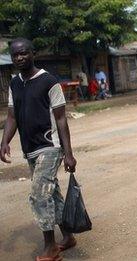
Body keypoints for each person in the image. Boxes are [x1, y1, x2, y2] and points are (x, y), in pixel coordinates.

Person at [1, 38, 77, 260]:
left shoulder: (49, 81)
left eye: (24, 53)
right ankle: (68, 236)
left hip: (50, 146)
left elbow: (61, 119)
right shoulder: (15, 83)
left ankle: (51, 247)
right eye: (15, 55)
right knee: (51, 193)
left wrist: (69, 154)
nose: (19, 58)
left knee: (38, 195)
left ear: (32, 54)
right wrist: (4, 140)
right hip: (30, 148)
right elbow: (12, 115)